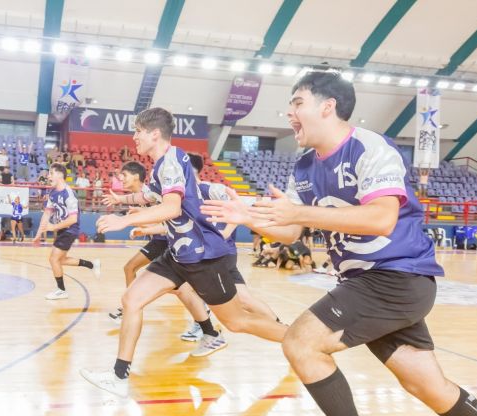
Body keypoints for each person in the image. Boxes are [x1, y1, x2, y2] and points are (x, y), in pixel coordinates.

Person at [200, 71, 477, 416]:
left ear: (327, 106)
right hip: (367, 283)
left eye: (297, 103)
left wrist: (297, 211)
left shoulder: (370, 147)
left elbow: (381, 219)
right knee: (427, 386)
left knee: (301, 342)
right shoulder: (305, 167)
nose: (290, 113)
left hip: (395, 278)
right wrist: (249, 215)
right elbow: (291, 228)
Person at [82, 107, 288, 398]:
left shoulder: (172, 162)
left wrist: (124, 220)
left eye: (138, 131)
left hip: (202, 257)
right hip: (177, 255)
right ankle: (118, 375)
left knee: (237, 321)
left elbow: (171, 207)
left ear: (154, 133)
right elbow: (150, 196)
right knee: (131, 300)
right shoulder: (162, 166)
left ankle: (296, 340)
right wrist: (122, 199)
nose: (134, 137)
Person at [102, 161, 225, 348]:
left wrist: (135, 220)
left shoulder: (173, 191)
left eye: (124, 175)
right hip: (169, 241)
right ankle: (207, 327)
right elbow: (156, 211)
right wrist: (137, 217)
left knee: (187, 290)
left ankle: (207, 324)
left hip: (170, 242)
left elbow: (165, 213)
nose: (121, 179)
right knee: (180, 289)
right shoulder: (152, 192)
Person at [34, 163, 101, 300]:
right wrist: (38, 234)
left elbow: (73, 219)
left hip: (70, 229)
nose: (48, 176)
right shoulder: (52, 193)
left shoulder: (69, 194)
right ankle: (92, 265)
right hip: (62, 229)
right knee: (61, 260)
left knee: (53, 259)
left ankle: (61, 290)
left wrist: (53, 227)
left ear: (59, 175)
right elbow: (46, 214)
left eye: (51, 173)